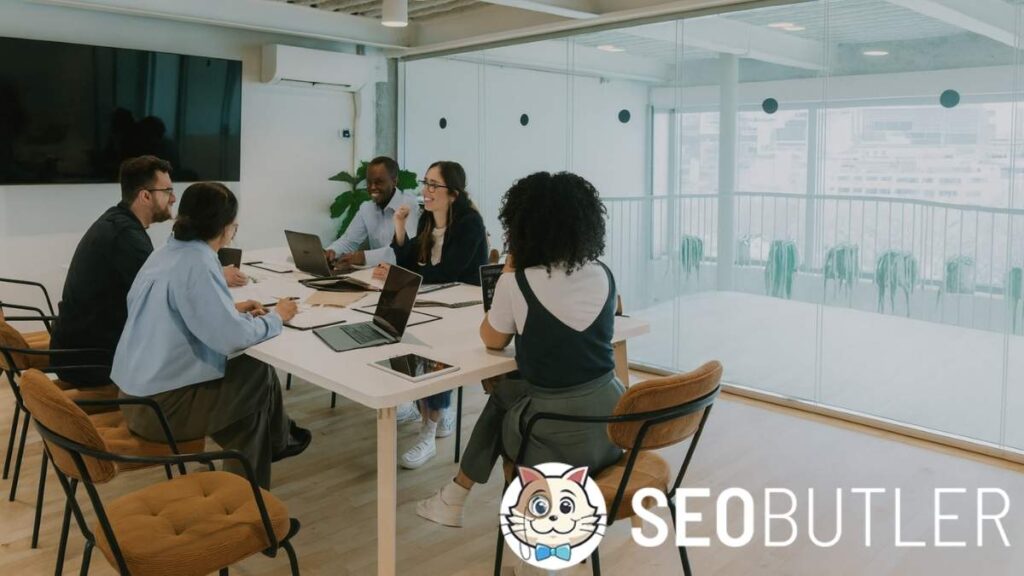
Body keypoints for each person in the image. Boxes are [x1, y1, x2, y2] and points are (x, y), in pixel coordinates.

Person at [416, 171, 624, 532]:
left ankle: (455, 496)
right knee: (511, 389)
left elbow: (491, 339)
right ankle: (453, 497)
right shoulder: (603, 274)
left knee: (502, 396)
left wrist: (507, 277)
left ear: (524, 225)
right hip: (610, 423)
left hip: (552, 433)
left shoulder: (518, 280)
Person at [111, 182, 310, 489]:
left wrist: (231, 310)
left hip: (133, 395)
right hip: (159, 410)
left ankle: (272, 452)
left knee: (248, 413)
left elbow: (182, 313)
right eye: (234, 227)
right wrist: (276, 317)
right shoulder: (198, 262)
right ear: (223, 228)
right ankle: (265, 471)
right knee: (256, 373)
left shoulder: (165, 253)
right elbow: (231, 339)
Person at [51, 156, 247, 386]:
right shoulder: (127, 239)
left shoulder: (117, 222)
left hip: (77, 347)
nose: (174, 198)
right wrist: (226, 309)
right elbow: (163, 307)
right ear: (145, 196)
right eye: (167, 191)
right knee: (222, 355)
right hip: (95, 360)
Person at [372, 161, 488, 469]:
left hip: (463, 307)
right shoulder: (426, 220)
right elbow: (411, 258)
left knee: (433, 347)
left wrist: (403, 273)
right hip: (435, 299)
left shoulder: (469, 224)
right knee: (394, 327)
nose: (426, 190)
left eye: (433, 185)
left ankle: (430, 430)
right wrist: (399, 227)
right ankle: (418, 402)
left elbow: (449, 271)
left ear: (453, 193)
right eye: (426, 183)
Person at [325, 156, 419, 268]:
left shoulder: (409, 207)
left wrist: (363, 257)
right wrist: (332, 252)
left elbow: (405, 251)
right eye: (369, 182)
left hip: (403, 275)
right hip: (375, 274)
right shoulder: (366, 208)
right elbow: (350, 240)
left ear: (394, 181)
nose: (372, 187)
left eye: (379, 182)